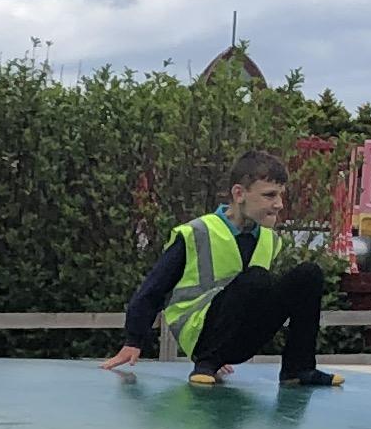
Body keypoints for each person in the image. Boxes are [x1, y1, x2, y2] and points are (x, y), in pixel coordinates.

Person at [105, 149, 337, 389]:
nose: (279, 204)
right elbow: (153, 288)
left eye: (281, 195)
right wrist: (134, 340)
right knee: (256, 277)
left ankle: (298, 369)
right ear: (239, 194)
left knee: (309, 274)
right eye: (269, 195)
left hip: (242, 337)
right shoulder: (196, 232)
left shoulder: (269, 239)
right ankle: (207, 362)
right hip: (200, 336)